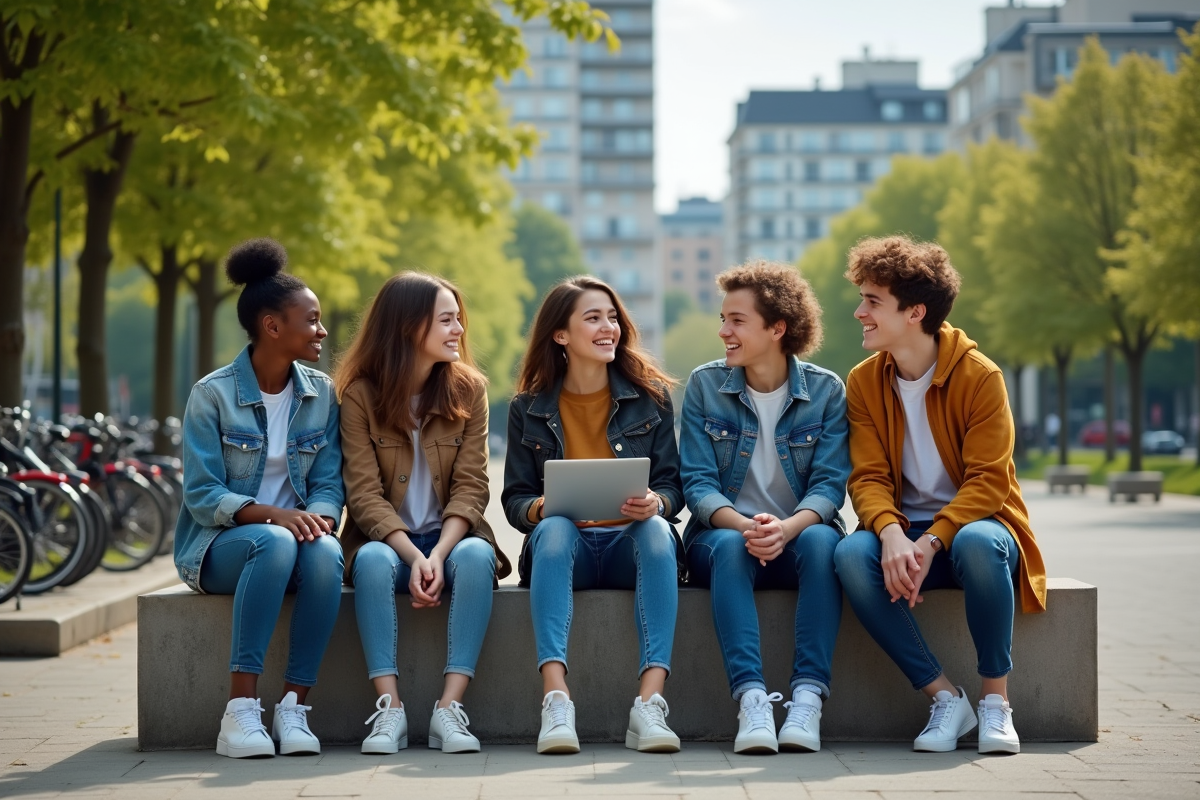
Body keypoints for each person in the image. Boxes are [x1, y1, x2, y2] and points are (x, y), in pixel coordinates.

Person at [833, 236, 1047, 755]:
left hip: (976, 531)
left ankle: (995, 702)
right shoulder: (863, 382)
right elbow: (867, 477)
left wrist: (928, 543)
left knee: (976, 543)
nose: (859, 311)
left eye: (872, 301)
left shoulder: (980, 377)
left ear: (915, 312)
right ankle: (945, 697)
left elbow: (989, 482)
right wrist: (888, 534)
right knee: (849, 554)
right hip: (904, 533)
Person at [175, 238, 345, 759]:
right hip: (217, 548)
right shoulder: (213, 394)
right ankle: (241, 712)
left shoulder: (321, 393)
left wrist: (318, 518)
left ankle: (294, 707)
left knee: (328, 553)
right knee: (272, 542)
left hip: (292, 543)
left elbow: (329, 482)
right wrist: (276, 516)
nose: (321, 331)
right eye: (311, 320)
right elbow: (203, 495)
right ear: (273, 326)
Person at [502, 276, 685, 755]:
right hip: (569, 551)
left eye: (612, 317)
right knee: (556, 528)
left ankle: (649, 704)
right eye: (593, 318)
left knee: (659, 531)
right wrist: (543, 507)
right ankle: (556, 700)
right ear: (560, 335)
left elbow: (672, 486)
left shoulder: (652, 399)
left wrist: (657, 503)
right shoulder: (528, 409)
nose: (609, 327)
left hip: (630, 546)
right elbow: (515, 500)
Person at [679, 261, 850, 755]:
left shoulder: (825, 391)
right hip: (724, 538)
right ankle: (752, 700)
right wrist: (748, 525)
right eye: (723, 318)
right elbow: (698, 483)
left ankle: (807, 699)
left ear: (777, 328)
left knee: (823, 541)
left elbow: (829, 485)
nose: (723, 331)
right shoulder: (706, 385)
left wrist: (788, 528)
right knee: (732, 546)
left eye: (736, 320)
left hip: (800, 537)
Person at [336, 273, 510, 755]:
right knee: (369, 563)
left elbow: (473, 486)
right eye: (447, 320)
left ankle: (448, 710)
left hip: (451, 538)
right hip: (389, 545)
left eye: (459, 319)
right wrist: (414, 557)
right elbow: (364, 496)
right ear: (409, 326)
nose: (459, 330)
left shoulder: (468, 390)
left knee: (476, 559)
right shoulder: (359, 397)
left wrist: (438, 554)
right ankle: (389, 710)